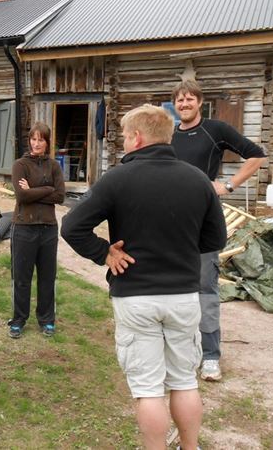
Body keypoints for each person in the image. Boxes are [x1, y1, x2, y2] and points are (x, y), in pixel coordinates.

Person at [61, 104, 227, 450]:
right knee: (184, 381)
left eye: (124, 135)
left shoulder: (117, 179)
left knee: (149, 389)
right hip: (183, 295)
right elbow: (215, 241)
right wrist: (180, 245)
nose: (123, 141)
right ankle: (190, 446)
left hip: (135, 296)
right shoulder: (198, 180)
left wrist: (105, 251)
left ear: (137, 137)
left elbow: (72, 226)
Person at [171, 80, 267, 382]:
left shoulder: (216, 130)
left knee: (205, 288)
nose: (184, 104)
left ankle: (211, 356)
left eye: (189, 99)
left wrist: (228, 185)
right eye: (179, 100)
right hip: (171, 223)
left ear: (200, 102)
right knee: (173, 288)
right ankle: (183, 350)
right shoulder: (169, 135)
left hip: (203, 223)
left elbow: (256, 156)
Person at [8, 121, 65, 339]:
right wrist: (47, 189)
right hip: (23, 227)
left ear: (47, 142)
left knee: (47, 277)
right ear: (29, 140)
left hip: (48, 228)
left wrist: (34, 190)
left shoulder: (54, 166)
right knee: (21, 277)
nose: (37, 143)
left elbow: (60, 196)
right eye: (33, 138)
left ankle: (46, 319)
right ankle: (18, 320)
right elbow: (21, 196)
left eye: (41, 139)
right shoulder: (20, 165)